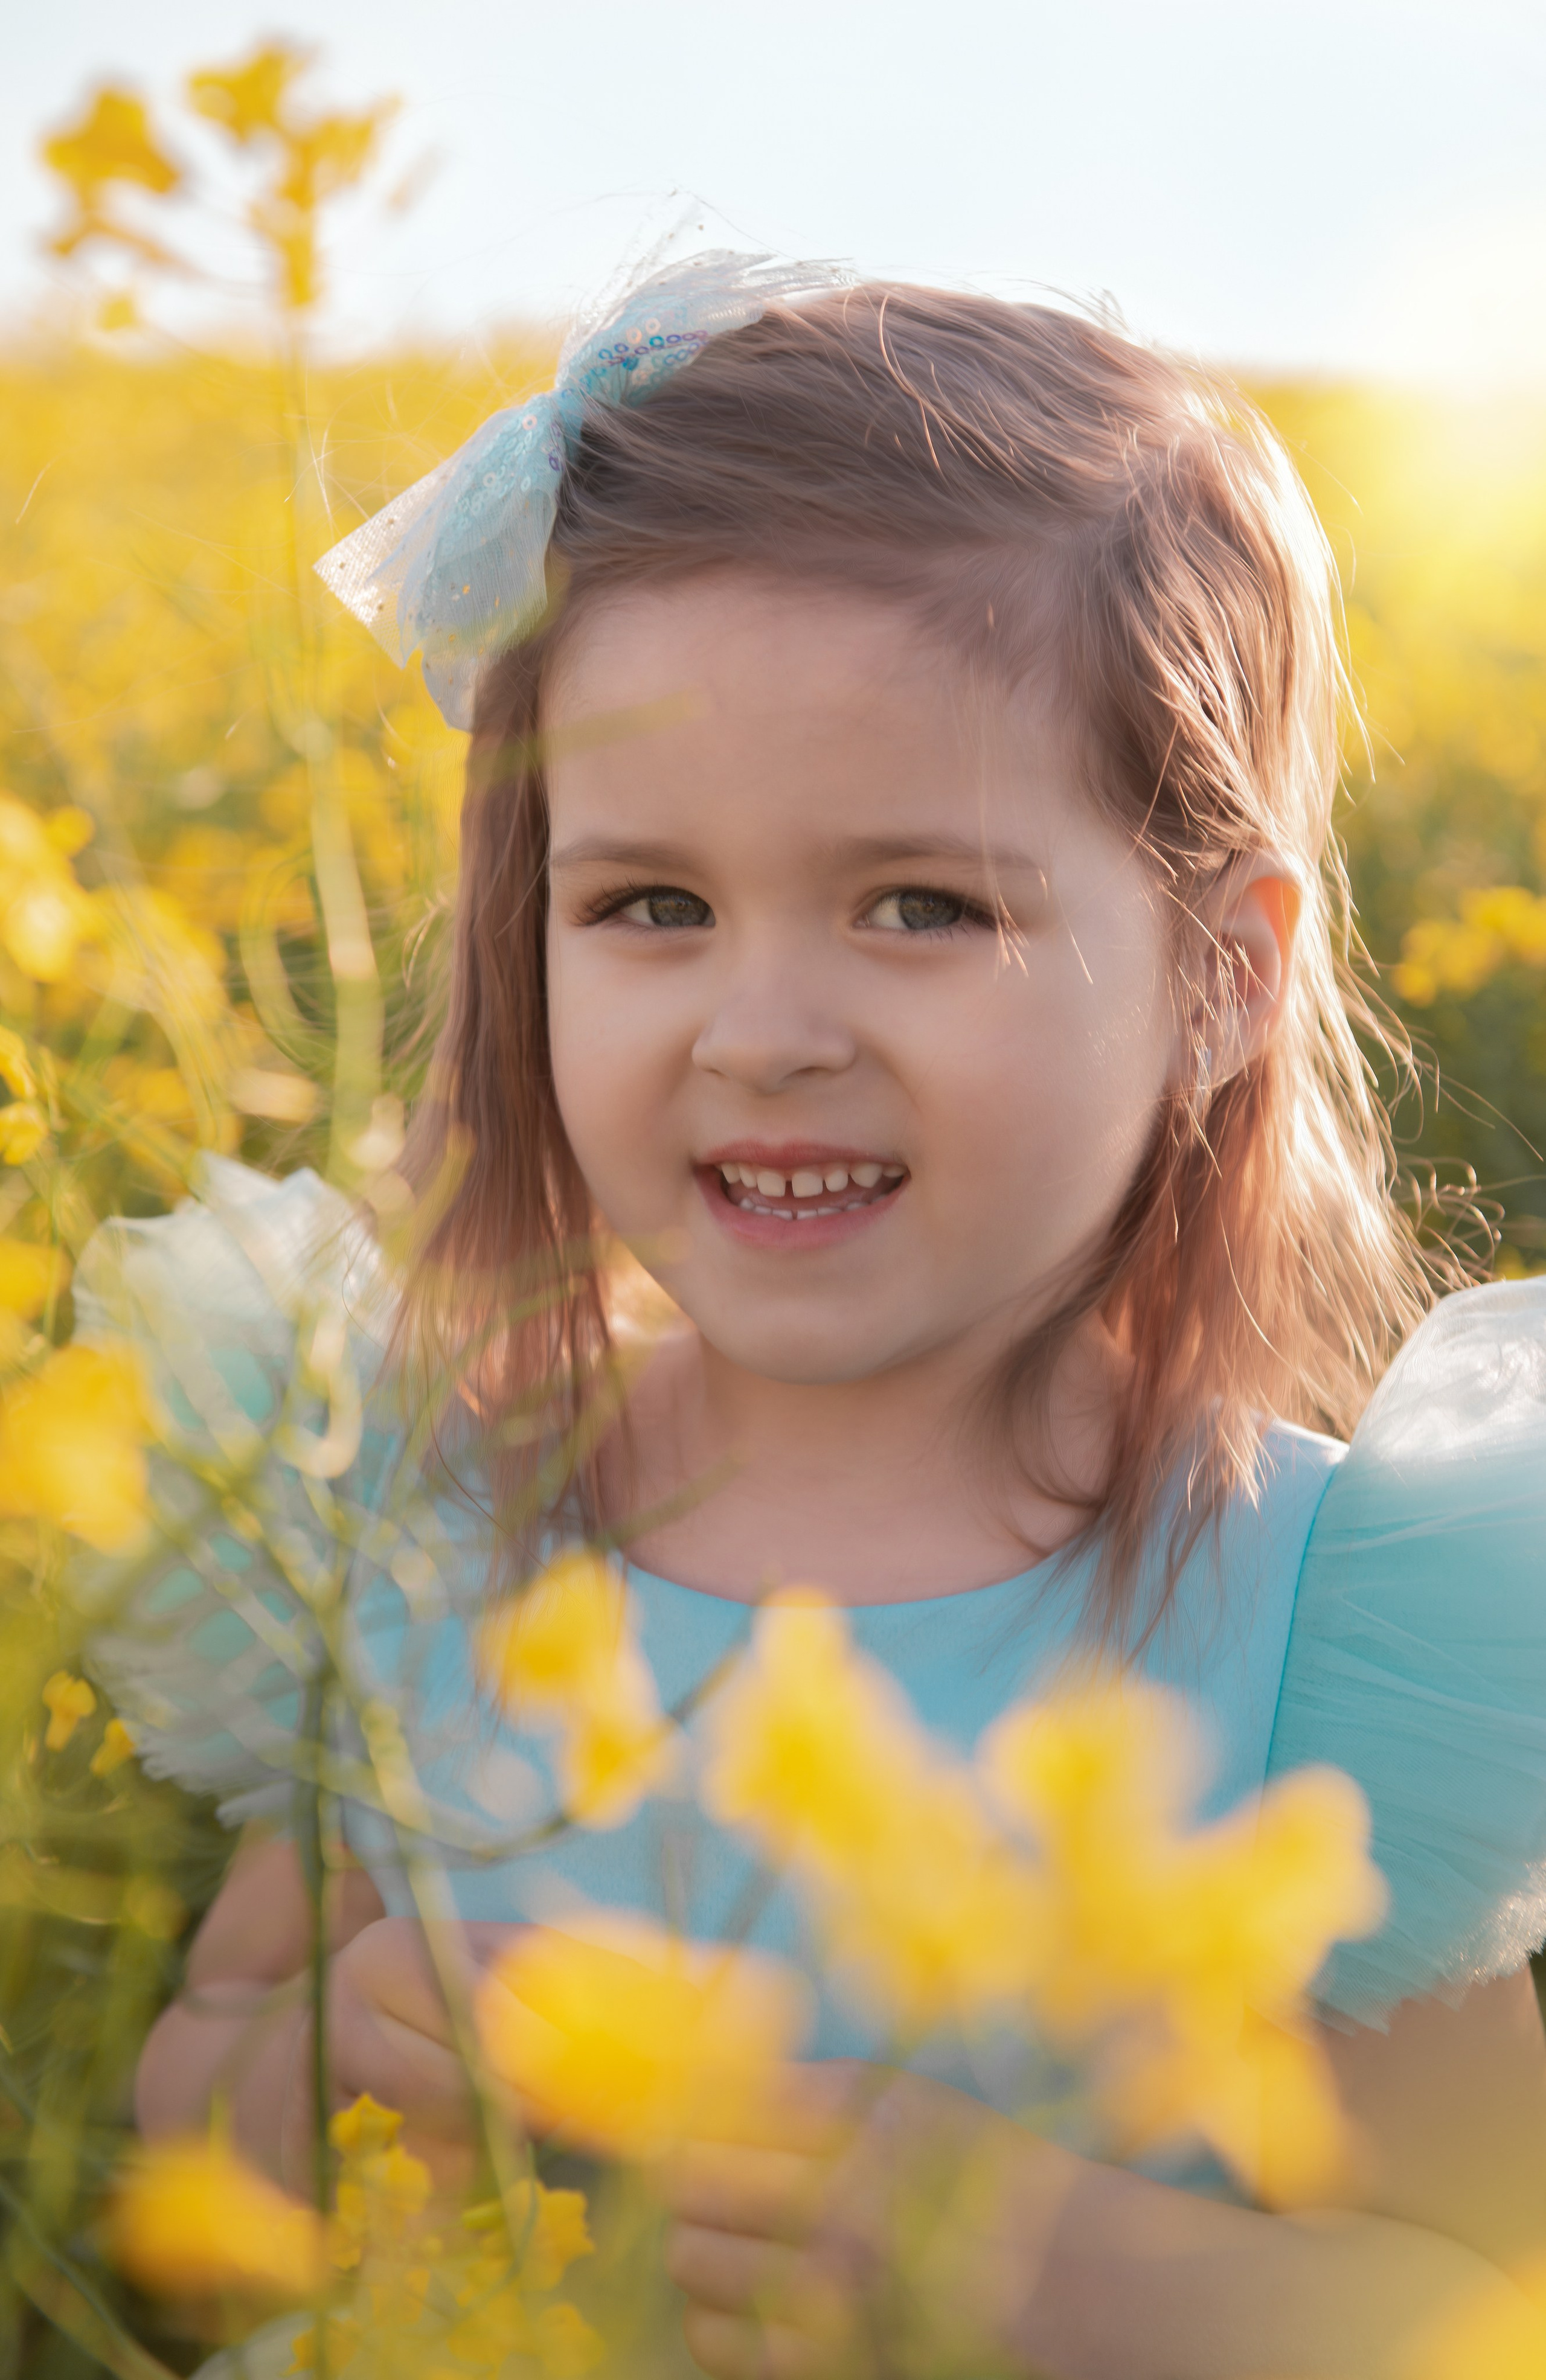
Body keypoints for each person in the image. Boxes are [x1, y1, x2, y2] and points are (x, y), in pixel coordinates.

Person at [85, 253, 1546, 2377]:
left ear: (1220, 981)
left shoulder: (1336, 1640)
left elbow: (1485, 2301)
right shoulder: (416, 1508)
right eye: (651, 905)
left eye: (919, 904)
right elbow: (191, 2138)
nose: (764, 1031)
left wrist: (1041, 2264)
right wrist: (319, 2078)